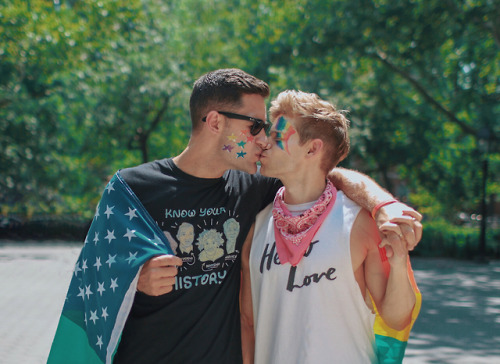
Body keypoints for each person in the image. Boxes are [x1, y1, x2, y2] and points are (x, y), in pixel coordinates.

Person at [48, 69, 421, 364]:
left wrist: (382, 205)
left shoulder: (251, 191)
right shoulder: (132, 188)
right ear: (214, 122)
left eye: (269, 130)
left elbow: (327, 174)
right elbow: (94, 274)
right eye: (255, 126)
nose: (262, 138)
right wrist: (135, 278)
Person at [241, 90, 422, 364]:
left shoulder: (359, 223)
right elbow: (248, 321)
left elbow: (396, 318)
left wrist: (398, 266)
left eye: (278, 138)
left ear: (312, 149)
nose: (264, 142)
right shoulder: (257, 225)